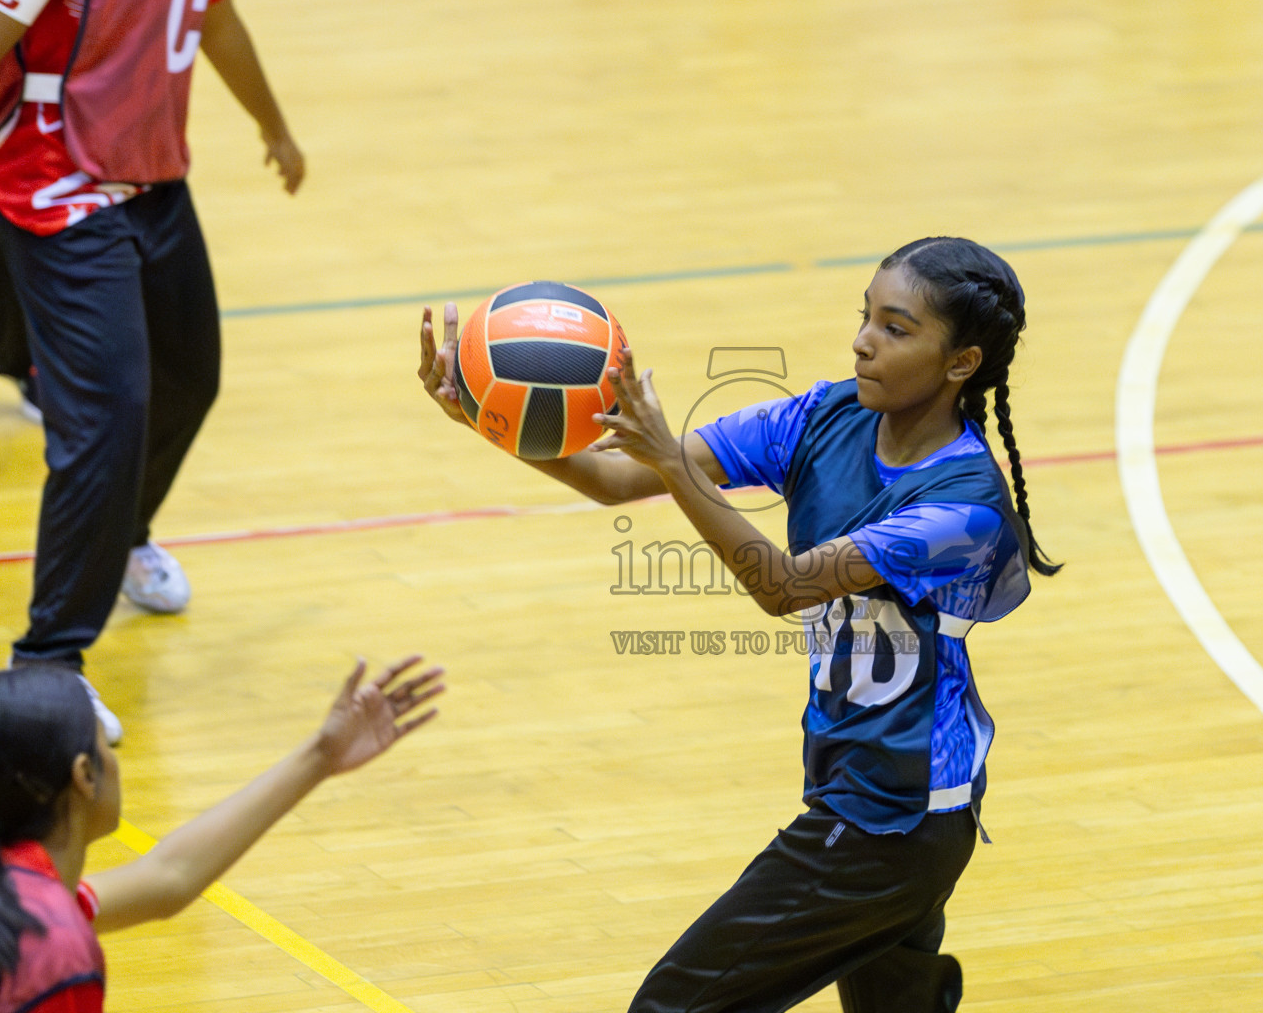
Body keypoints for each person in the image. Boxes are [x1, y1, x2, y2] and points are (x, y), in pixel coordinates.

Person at [419, 237, 1059, 1012]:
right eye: (866, 317)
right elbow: (618, 477)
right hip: (881, 800)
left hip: (888, 821)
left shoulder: (965, 507)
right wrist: (485, 413)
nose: (862, 340)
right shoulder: (823, 417)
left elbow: (781, 586)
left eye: (896, 328)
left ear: (961, 362)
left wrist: (671, 462)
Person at [0, 0, 306, 740]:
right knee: (106, 422)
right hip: (58, 187)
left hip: (152, 180)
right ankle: (48, 667)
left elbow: (214, 20)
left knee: (188, 378)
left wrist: (273, 125)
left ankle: (122, 531)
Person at [0, 654, 443, 1013]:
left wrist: (322, 755)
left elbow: (169, 876)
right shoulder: (52, 950)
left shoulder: (22, 890)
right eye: (103, 746)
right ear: (84, 776)